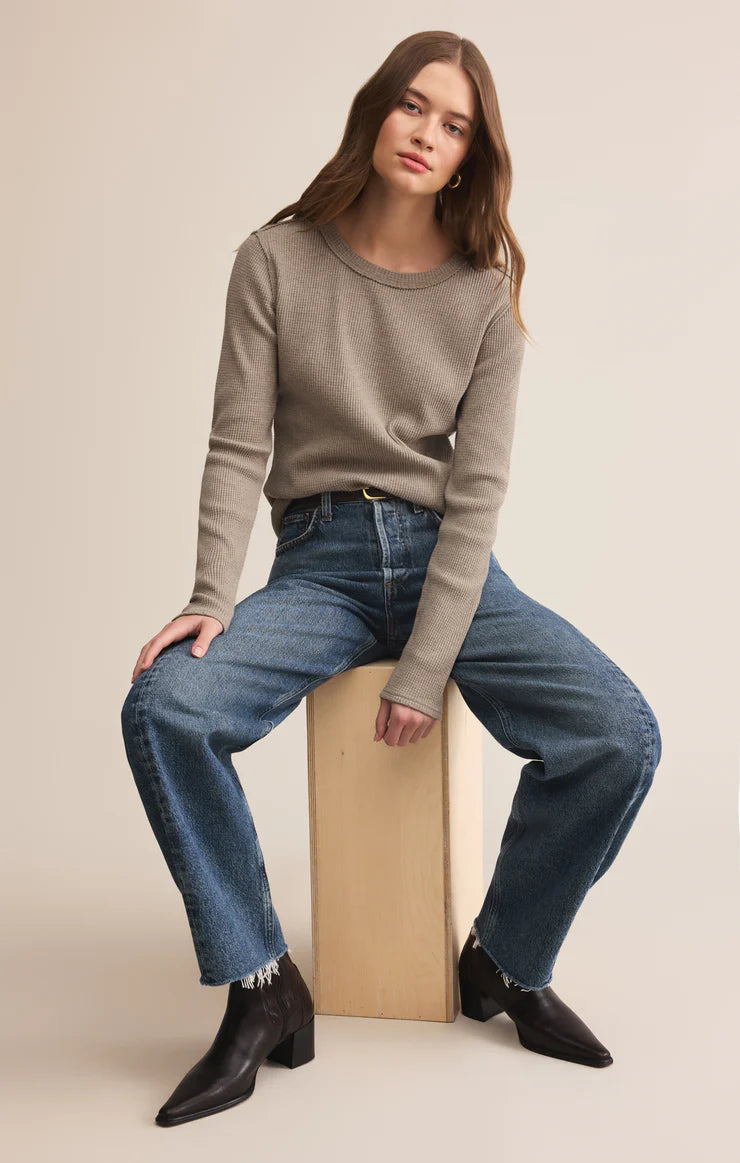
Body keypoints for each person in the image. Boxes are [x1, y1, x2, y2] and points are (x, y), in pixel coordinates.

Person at [121, 30, 662, 1126]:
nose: (426, 134)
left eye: (454, 125)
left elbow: (477, 497)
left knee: (619, 734)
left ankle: (505, 958)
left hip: (447, 566)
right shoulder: (275, 260)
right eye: (414, 106)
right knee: (165, 705)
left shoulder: (484, 296)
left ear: (470, 155)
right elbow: (237, 445)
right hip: (318, 565)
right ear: (377, 110)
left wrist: (424, 666)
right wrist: (209, 596)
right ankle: (261, 983)